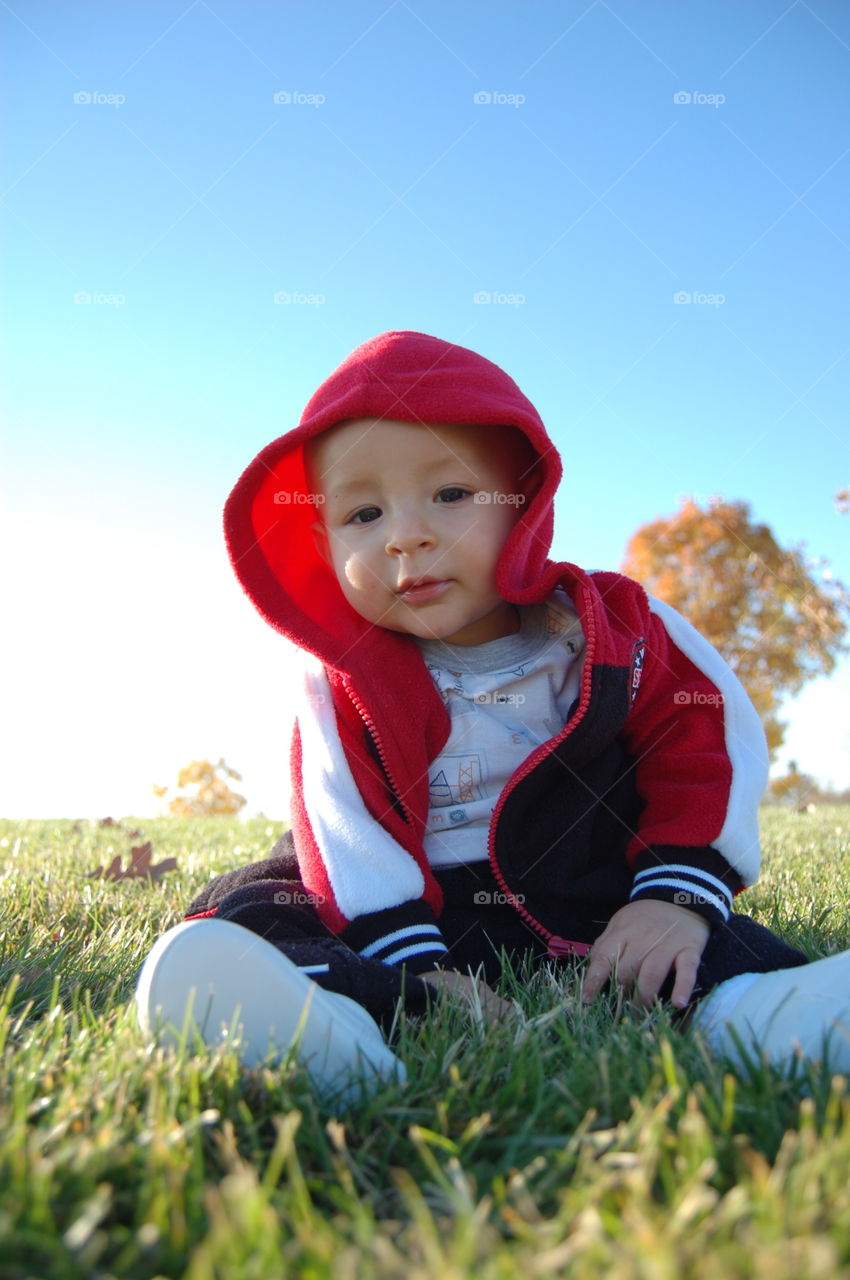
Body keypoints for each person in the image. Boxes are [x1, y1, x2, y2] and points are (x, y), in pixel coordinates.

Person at [135, 330, 850, 1101]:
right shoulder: (343, 680)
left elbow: (704, 742)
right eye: (364, 513)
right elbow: (343, 824)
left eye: (450, 495)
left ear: (524, 499)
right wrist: (413, 957)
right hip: (413, 898)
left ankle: (768, 1013)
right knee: (265, 905)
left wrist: (672, 896)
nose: (405, 534)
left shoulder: (610, 629)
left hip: (592, 881)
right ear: (323, 539)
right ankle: (323, 1022)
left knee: (685, 947)